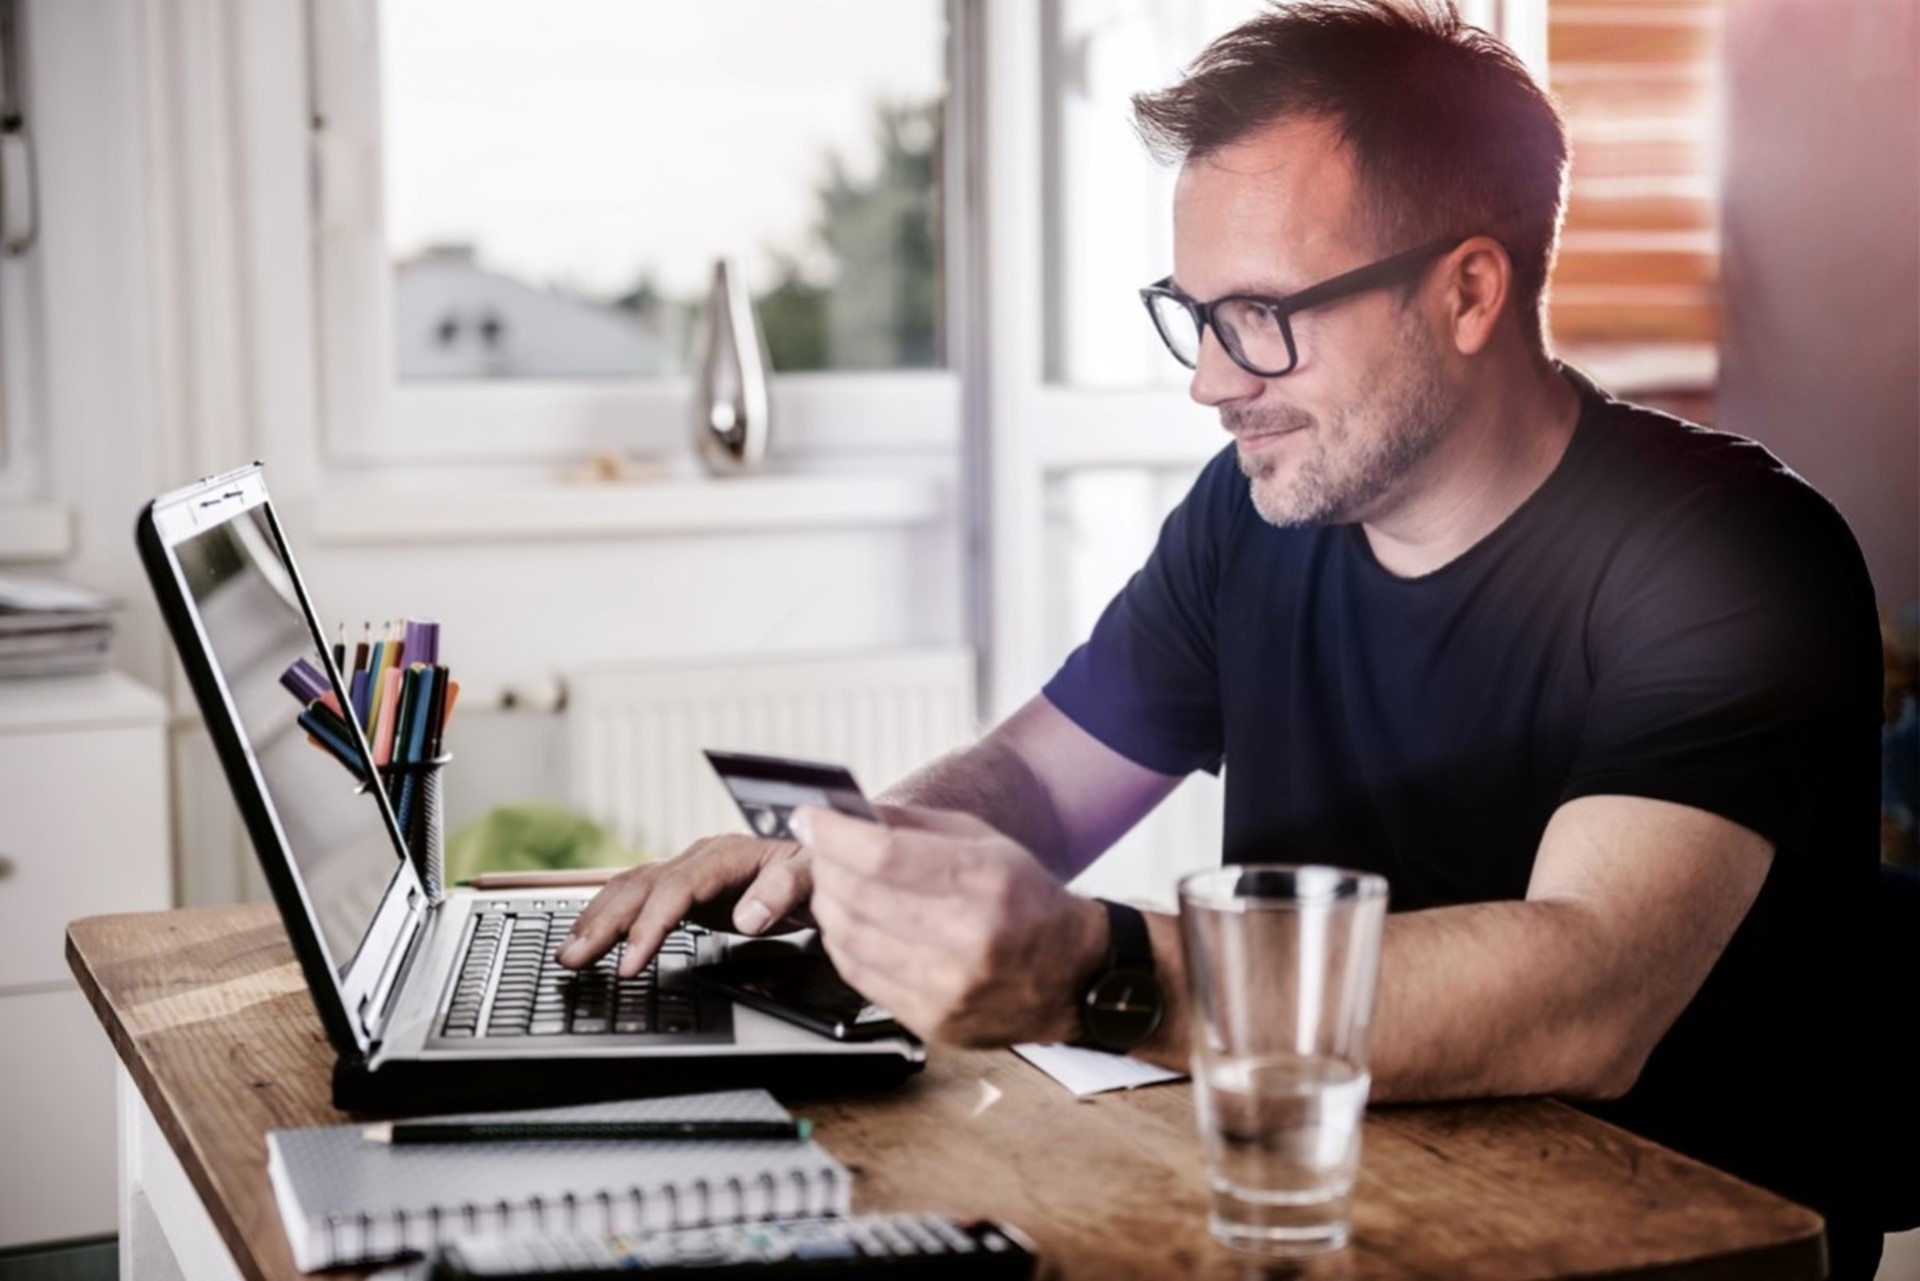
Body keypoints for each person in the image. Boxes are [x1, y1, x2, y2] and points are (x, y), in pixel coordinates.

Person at [561, 2, 1884, 1273]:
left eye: (1262, 315)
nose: (1209, 378)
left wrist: (1105, 971)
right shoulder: (1255, 517)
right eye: (1194, 314)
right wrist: (842, 867)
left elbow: (1586, 990)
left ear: (1468, 291)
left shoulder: (1730, 554)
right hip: (1326, 1213)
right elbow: (1030, 783)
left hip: (1652, 1248)